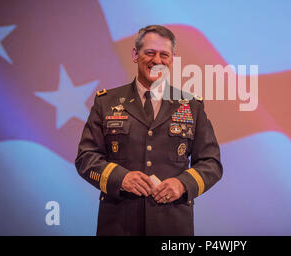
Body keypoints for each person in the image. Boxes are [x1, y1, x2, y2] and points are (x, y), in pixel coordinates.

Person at [75, 25, 223, 235]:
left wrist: (183, 184)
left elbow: (211, 163)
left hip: (172, 225)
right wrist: (120, 178)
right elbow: (85, 157)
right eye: (149, 53)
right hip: (118, 224)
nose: (157, 61)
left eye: (164, 55)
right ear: (135, 55)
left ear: (172, 60)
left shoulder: (191, 106)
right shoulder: (106, 102)